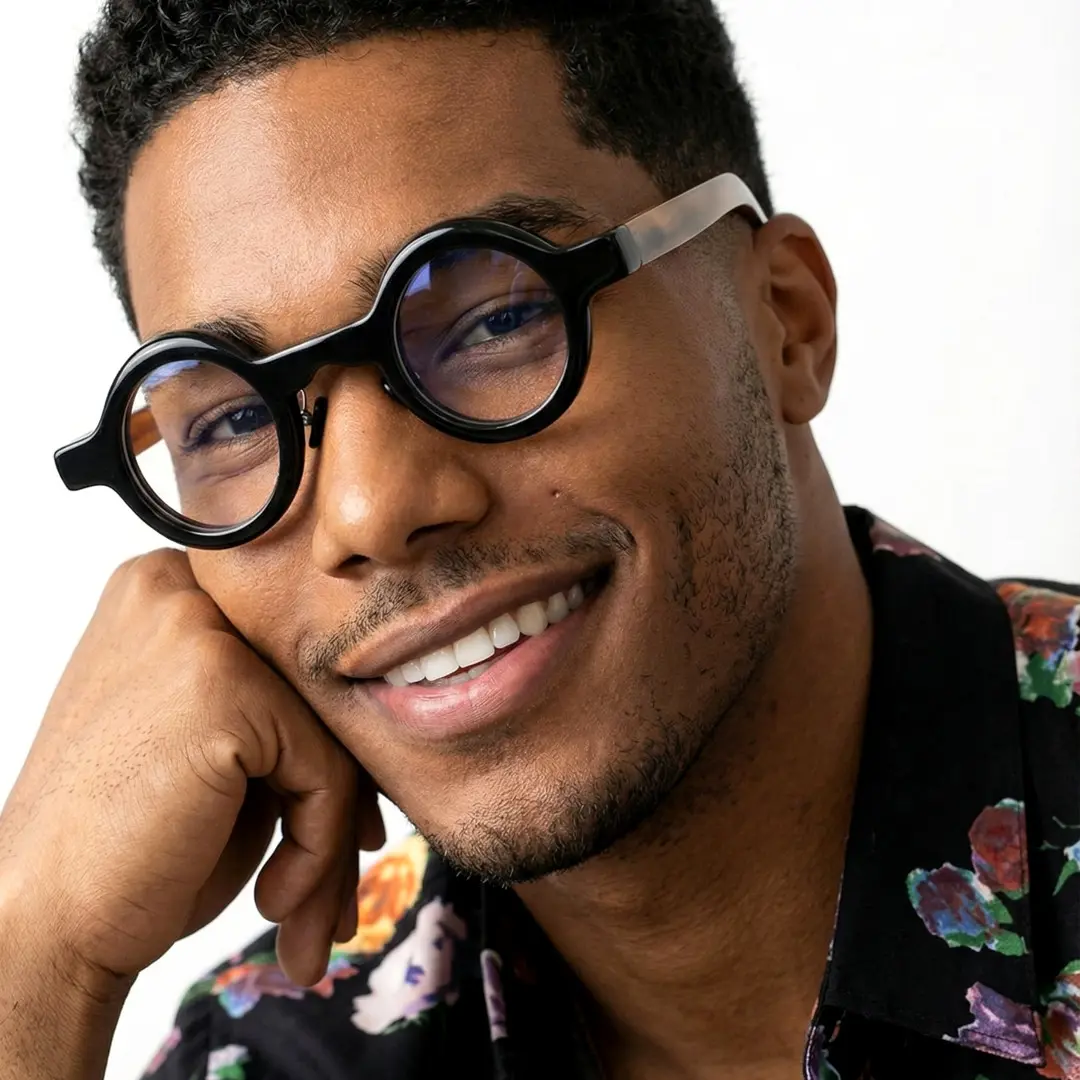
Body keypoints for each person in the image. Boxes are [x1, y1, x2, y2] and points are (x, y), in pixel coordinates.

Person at [0, 1, 1076, 1078]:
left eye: (493, 318)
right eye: (234, 420)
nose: (370, 511)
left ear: (786, 321)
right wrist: (37, 952)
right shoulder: (285, 1052)